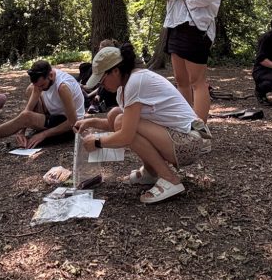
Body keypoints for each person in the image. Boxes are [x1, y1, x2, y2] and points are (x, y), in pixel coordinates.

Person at [75, 43, 211, 204]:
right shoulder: (124, 87)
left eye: (102, 80)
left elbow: (126, 135)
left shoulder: (135, 83)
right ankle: (151, 171)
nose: (101, 85)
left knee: (121, 121)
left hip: (189, 143)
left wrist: (97, 142)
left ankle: (170, 179)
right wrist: (91, 122)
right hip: (181, 138)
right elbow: (118, 124)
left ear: (116, 71)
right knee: (116, 115)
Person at [0, 59, 85, 150]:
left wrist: (44, 134)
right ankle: (35, 127)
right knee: (30, 90)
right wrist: (21, 130)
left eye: (43, 86)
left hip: (69, 126)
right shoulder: (42, 78)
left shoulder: (63, 87)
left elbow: (73, 122)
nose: (41, 89)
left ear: (50, 75)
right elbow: (28, 109)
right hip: (53, 115)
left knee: (26, 117)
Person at [162, 0, 222, 122]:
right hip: (176, 28)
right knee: (181, 80)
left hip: (196, 29)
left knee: (197, 81)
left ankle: (201, 129)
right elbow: (177, 4)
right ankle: (186, 123)